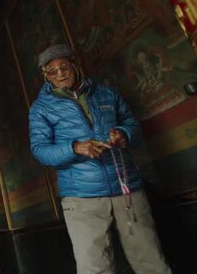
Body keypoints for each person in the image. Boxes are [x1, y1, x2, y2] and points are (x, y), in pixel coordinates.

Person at [28, 44, 171, 274]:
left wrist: (123, 135)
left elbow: (132, 126)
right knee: (94, 268)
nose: (60, 73)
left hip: (127, 189)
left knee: (151, 261)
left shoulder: (106, 93)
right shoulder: (40, 109)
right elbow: (40, 150)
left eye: (64, 66)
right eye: (52, 71)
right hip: (81, 197)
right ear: (46, 76)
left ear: (74, 65)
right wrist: (75, 147)